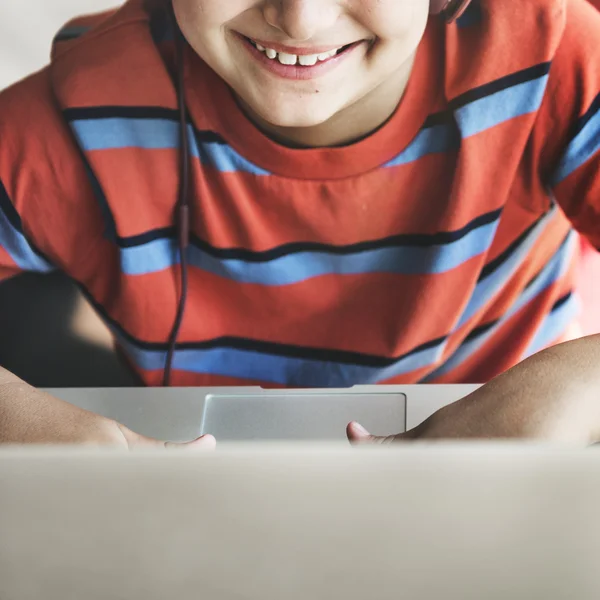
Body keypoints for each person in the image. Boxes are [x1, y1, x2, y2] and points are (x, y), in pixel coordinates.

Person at [0, 0, 600, 447]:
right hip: (191, 491)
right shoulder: (80, 112)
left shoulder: (553, 50)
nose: (301, 20)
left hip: (518, 478)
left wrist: (576, 382)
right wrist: (29, 428)